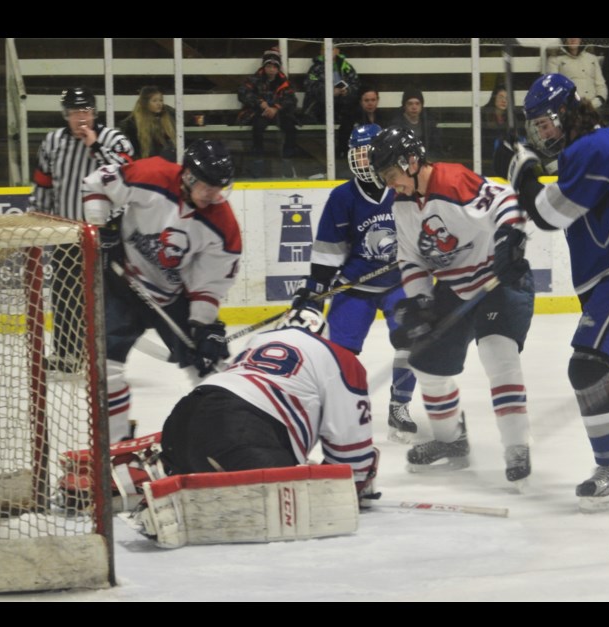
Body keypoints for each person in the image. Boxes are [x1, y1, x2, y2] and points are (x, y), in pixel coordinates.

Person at [501, 73, 609, 511]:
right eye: (535, 127)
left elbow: (550, 215)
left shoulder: (591, 149)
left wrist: (524, 176)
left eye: (545, 123)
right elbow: (563, 199)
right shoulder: (596, 142)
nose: (542, 133)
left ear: (566, 113)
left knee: (588, 366)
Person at [368, 126, 535, 487]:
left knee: (497, 353)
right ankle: (451, 441)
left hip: (499, 279)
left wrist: (511, 236)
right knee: (425, 361)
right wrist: (421, 300)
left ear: (411, 162)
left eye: (392, 175)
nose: (391, 184)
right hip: (456, 287)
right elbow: (411, 260)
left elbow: (506, 199)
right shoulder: (402, 205)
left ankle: (517, 446)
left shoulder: (452, 180)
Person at [81, 138, 242, 443]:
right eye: (208, 186)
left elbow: (209, 282)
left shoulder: (223, 225)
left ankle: (229, 438)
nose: (214, 195)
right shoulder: (152, 174)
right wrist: (99, 229)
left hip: (172, 296)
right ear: (189, 177)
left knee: (209, 365)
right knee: (105, 368)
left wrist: (203, 325)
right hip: (121, 283)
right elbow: (95, 184)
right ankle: (115, 445)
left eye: (219, 187)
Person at [159, 307, 378, 499]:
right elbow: (350, 450)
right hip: (241, 432)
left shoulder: (255, 343)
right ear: (324, 335)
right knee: (290, 504)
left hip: (181, 421)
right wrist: (352, 484)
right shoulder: (338, 356)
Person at [290, 124, 420, 444]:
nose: (363, 162)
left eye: (368, 155)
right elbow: (328, 250)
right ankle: (345, 407)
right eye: (358, 155)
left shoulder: (401, 187)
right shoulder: (343, 196)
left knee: (414, 339)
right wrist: (315, 289)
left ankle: (399, 405)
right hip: (355, 285)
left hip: (398, 282)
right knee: (338, 354)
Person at [29, 86, 134, 374]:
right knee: (65, 296)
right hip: (65, 233)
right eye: (74, 112)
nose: (80, 118)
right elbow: (43, 184)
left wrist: (95, 145)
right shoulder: (52, 142)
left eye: (85, 111)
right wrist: (38, 217)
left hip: (107, 235)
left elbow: (126, 174)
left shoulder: (114, 139)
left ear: (94, 112)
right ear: (66, 114)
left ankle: (105, 356)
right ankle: (67, 355)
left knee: (103, 298)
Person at [236, 47, 298, 176]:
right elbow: (243, 93)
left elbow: (291, 99)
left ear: (278, 68)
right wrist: (260, 103)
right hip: (259, 112)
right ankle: (258, 159)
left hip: (278, 112)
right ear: (264, 67)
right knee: (258, 127)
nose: (271, 69)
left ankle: (287, 159)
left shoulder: (284, 81)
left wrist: (276, 108)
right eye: (269, 66)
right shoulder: (254, 79)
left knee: (291, 128)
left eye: (274, 66)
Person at [302, 46, 361, 157]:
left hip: (341, 106)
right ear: (321, 52)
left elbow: (356, 84)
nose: (329, 51)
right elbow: (310, 86)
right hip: (320, 107)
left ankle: (342, 149)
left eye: (332, 48)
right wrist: (329, 92)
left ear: (338, 51)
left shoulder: (346, 67)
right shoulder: (315, 68)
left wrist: (347, 91)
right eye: (325, 48)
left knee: (351, 114)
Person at [546, 39, 608, 111]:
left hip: (593, 109)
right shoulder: (555, 59)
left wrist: (596, 102)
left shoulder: (591, 58)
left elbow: (601, 85)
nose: (573, 39)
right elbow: (554, 86)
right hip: (570, 110)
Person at [119, 85, 176, 161]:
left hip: (166, 162)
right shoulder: (133, 124)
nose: (159, 104)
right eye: (154, 101)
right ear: (145, 103)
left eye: (161, 100)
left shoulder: (168, 117)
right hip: (143, 163)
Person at [480, 84, 522, 174]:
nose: (504, 101)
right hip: (487, 156)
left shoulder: (511, 116)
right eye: (501, 97)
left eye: (506, 98)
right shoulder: (483, 114)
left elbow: (515, 137)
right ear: (494, 98)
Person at [390, 88, 442, 160]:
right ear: (404, 106)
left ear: (421, 106)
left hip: (426, 162)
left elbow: (436, 147)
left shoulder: (429, 124)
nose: (414, 107)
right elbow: (393, 150)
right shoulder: (396, 125)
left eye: (417, 103)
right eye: (410, 104)